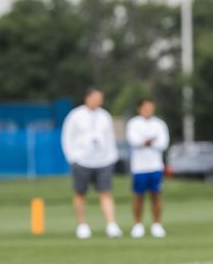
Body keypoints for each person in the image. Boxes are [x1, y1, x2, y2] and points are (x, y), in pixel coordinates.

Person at [60, 87, 121, 239]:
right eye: (96, 97)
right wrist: (72, 157)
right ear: (88, 98)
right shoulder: (75, 115)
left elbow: (110, 137)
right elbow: (67, 137)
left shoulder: (104, 116)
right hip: (82, 160)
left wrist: (112, 156)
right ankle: (81, 225)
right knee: (80, 193)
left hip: (103, 160)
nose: (99, 100)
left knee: (106, 192)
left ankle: (111, 224)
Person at [125, 98, 170, 238]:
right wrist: (147, 141)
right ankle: (138, 224)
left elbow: (163, 143)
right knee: (138, 196)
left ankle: (157, 224)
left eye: (151, 107)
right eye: (146, 107)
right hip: (139, 167)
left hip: (155, 165)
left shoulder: (159, 124)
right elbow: (133, 141)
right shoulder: (134, 123)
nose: (149, 110)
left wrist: (147, 142)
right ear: (140, 109)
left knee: (156, 195)